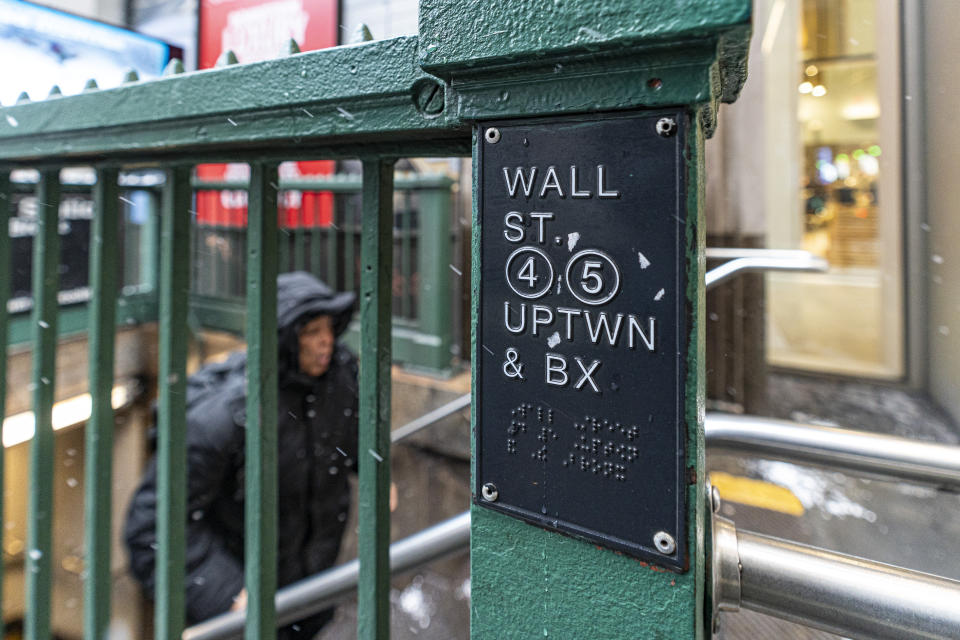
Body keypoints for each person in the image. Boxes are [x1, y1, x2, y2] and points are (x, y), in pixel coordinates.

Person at [124, 272, 359, 638]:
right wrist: (227, 594)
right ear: (283, 338)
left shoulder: (338, 379)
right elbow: (153, 528)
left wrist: (375, 465)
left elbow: (347, 432)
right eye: (311, 331)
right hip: (243, 613)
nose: (326, 342)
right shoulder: (222, 417)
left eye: (329, 328)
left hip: (311, 596)